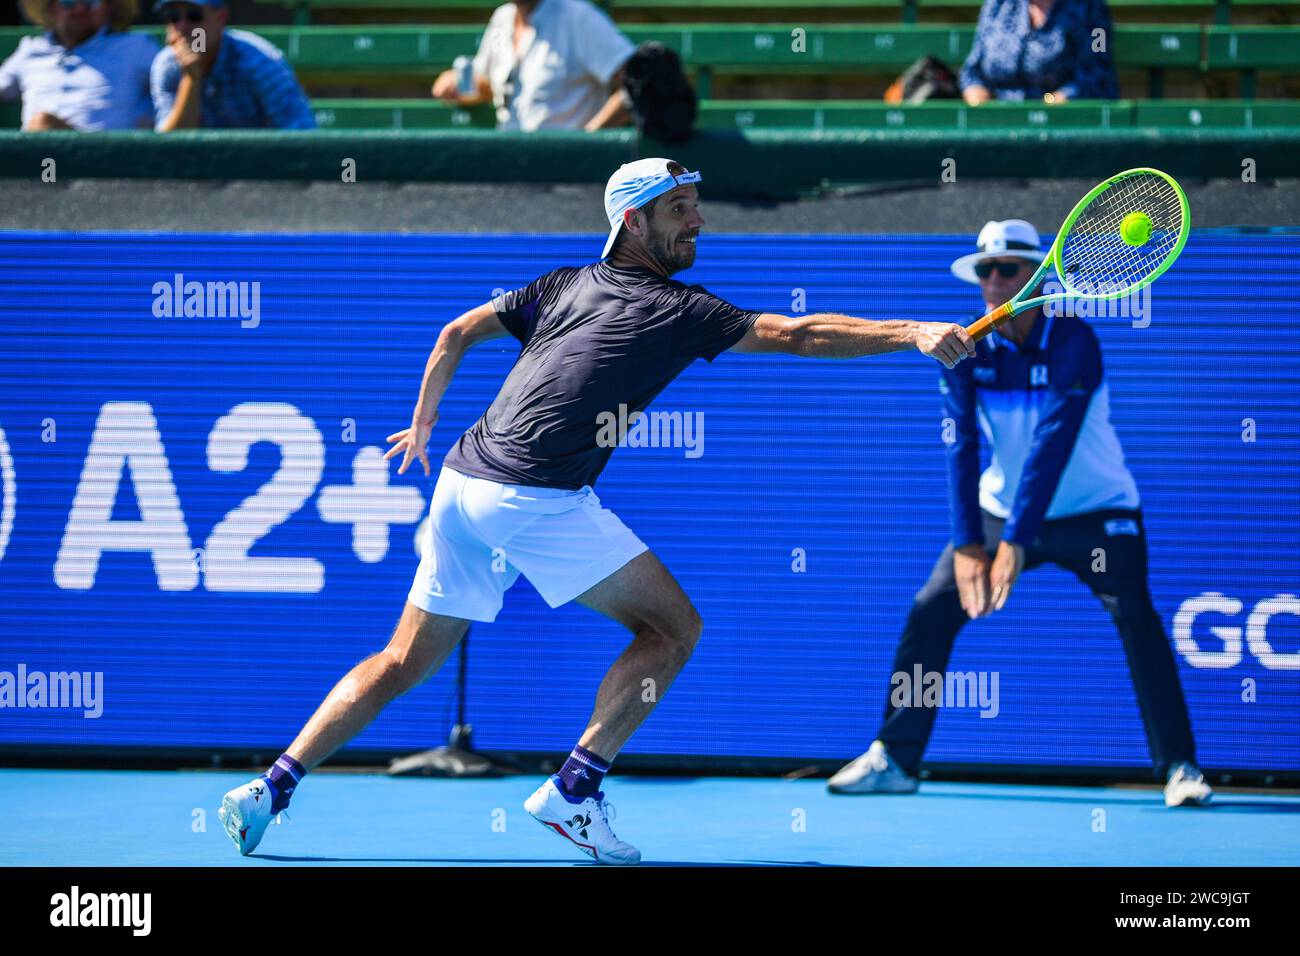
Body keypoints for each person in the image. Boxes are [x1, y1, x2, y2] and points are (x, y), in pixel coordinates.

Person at [217, 158, 976, 864]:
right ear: (632, 224)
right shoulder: (677, 308)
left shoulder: (558, 285)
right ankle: (574, 790)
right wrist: (913, 332)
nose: (698, 221)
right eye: (679, 209)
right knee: (674, 629)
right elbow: (799, 334)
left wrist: (422, 425)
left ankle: (269, 789)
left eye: (696, 206)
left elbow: (454, 333)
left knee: (400, 662)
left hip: (460, 486)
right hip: (533, 498)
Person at [826, 219, 1212, 810]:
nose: (997, 280)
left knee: (1135, 615)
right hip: (1000, 511)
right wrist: (967, 543)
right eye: (987, 270)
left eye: (1009, 268)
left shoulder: (1075, 341)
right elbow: (961, 446)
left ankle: (1180, 766)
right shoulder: (966, 352)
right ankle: (897, 759)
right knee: (932, 608)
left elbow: (1052, 445)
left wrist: (1017, 542)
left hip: (1096, 510)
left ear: (1036, 274)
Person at [431, 0, 633, 132]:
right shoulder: (503, 17)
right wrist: (455, 84)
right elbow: (489, 86)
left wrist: (587, 140)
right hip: (510, 161)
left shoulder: (578, 17)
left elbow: (634, 83)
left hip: (565, 173)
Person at [151, 0, 314, 131]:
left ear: (221, 18)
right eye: (173, 17)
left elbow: (301, 133)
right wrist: (191, 77)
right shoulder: (167, 65)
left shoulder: (258, 60)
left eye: (194, 16)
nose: (181, 26)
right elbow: (170, 149)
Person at [2, 0, 156, 130]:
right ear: (51, 8)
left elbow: (172, 85)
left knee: (43, 124)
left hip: (108, 159)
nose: (80, 8)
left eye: (91, 1)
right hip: (38, 160)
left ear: (109, 7)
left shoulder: (137, 47)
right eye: (68, 1)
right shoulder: (30, 50)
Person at [960, 0, 1119, 105]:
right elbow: (972, 71)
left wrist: (1050, 104)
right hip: (998, 121)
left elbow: (1098, 76)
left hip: (1062, 123)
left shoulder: (1089, 7)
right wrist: (977, 99)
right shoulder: (997, 5)